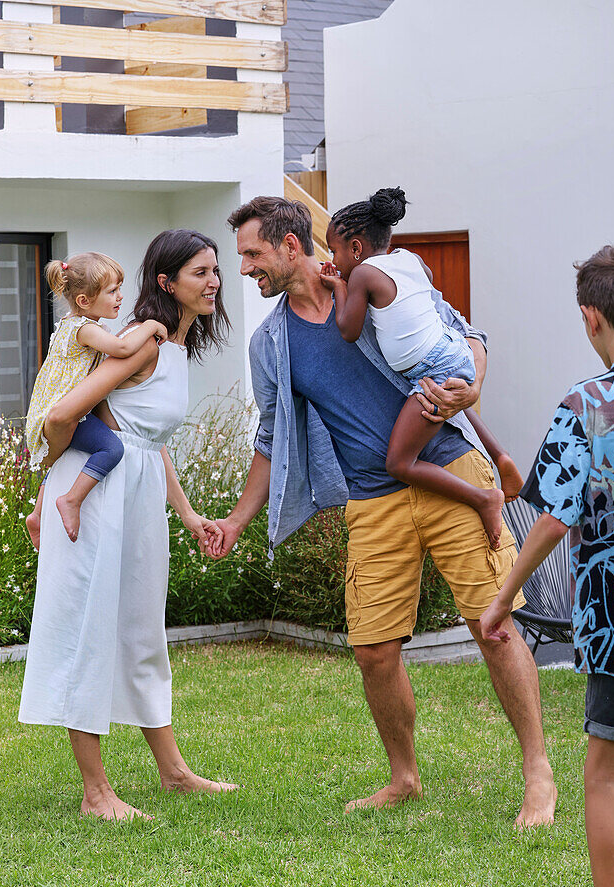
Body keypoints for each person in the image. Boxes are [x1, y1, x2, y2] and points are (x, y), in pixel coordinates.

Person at [212, 195, 556, 828]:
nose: (245, 270)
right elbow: (270, 437)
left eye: (253, 254)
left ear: (293, 246)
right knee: (372, 650)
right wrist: (236, 520)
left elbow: (466, 334)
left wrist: (473, 383)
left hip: (451, 469)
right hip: (372, 500)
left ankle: (537, 770)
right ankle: (404, 777)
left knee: (494, 625)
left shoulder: (371, 282)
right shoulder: (272, 344)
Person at [19, 230, 235, 821]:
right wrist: (56, 481)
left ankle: (173, 772)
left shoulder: (176, 350)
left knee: (141, 629)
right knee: (85, 627)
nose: (213, 281)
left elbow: (151, 441)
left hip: (136, 494)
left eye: (215, 270)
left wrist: (189, 514)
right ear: (166, 283)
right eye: (199, 272)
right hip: (92, 495)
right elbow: (63, 414)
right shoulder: (138, 344)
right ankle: (96, 794)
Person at [481, 244, 614, 887]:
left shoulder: (586, 405)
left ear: (591, 317)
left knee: (605, 771)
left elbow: (551, 518)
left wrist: (499, 598)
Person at [320, 187, 523, 549]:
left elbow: (349, 331)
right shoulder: (409, 259)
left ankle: (483, 498)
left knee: (399, 463)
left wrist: (339, 286)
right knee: (445, 402)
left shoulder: (363, 275)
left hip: (434, 366)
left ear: (355, 248)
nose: (332, 258)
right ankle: (501, 455)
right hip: (451, 353)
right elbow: (426, 279)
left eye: (334, 250)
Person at [25, 252, 168, 546]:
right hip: (64, 412)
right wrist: (151, 326)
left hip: (51, 410)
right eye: (112, 291)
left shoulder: (69, 324)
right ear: (84, 301)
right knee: (112, 449)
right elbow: (122, 349)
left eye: (119, 288)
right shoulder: (86, 329)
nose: (120, 297)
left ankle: (38, 513)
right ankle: (72, 500)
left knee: (61, 460)